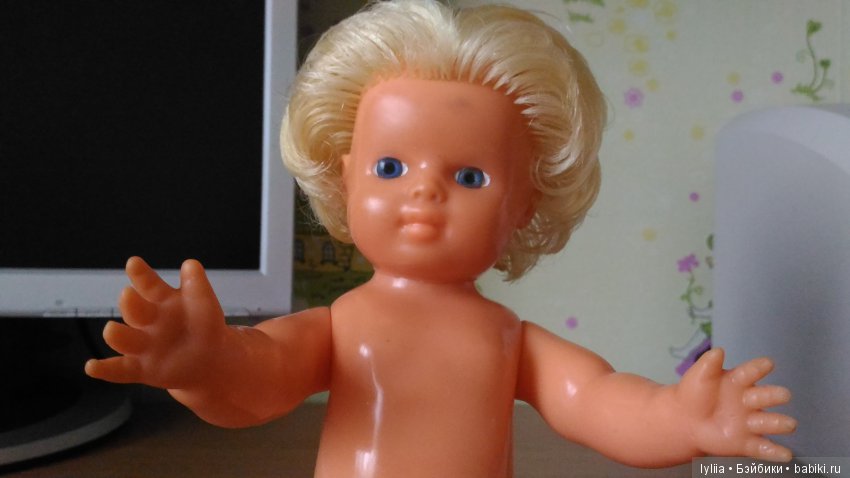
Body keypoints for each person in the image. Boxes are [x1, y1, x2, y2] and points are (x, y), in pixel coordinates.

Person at [86, 1, 796, 476]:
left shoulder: (507, 338)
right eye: (390, 168)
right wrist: (204, 363)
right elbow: (259, 381)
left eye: (470, 176)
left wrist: (678, 418)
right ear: (345, 177)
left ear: (523, 204)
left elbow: (596, 399)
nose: (425, 191)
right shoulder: (341, 325)